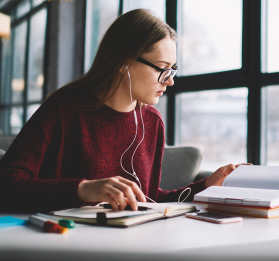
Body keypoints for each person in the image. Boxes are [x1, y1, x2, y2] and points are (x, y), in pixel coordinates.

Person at [0, 9, 249, 213]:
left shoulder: (151, 122)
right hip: (66, 244)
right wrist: (83, 189)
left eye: (173, 69)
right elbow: (7, 183)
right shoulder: (64, 110)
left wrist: (205, 186)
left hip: (132, 245)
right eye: (162, 68)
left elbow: (147, 200)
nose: (170, 81)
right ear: (123, 62)